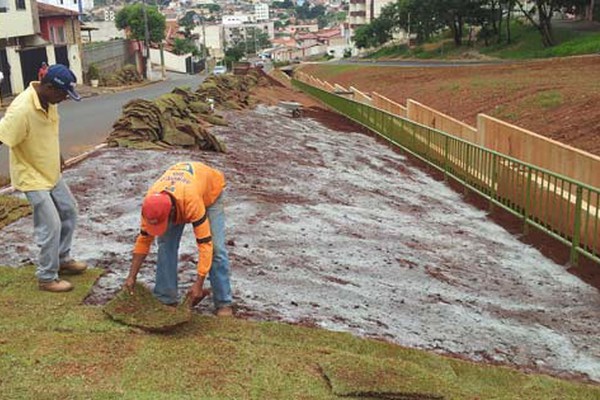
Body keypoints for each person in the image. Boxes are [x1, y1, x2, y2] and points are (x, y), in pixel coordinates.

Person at [0, 64, 86, 293]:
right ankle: (47, 276)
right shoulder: (21, 109)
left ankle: (62, 258)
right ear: (49, 87)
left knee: (69, 210)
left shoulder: (49, 100)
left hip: (49, 171)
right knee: (51, 224)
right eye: (63, 94)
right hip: (30, 175)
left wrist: (56, 156)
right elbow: (2, 135)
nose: (64, 99)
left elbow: (49, 132)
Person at [124, 161, 234, 316]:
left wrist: (199, 284)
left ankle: (223, 302)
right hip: (178, 192)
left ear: (172, 211)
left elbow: (205, 245)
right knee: (165, 243)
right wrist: (131, 277)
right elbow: (144, 239)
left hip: (209, 192)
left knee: (216, 248)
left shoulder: (191, 202)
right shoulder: (150, 205)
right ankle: (166, 297)